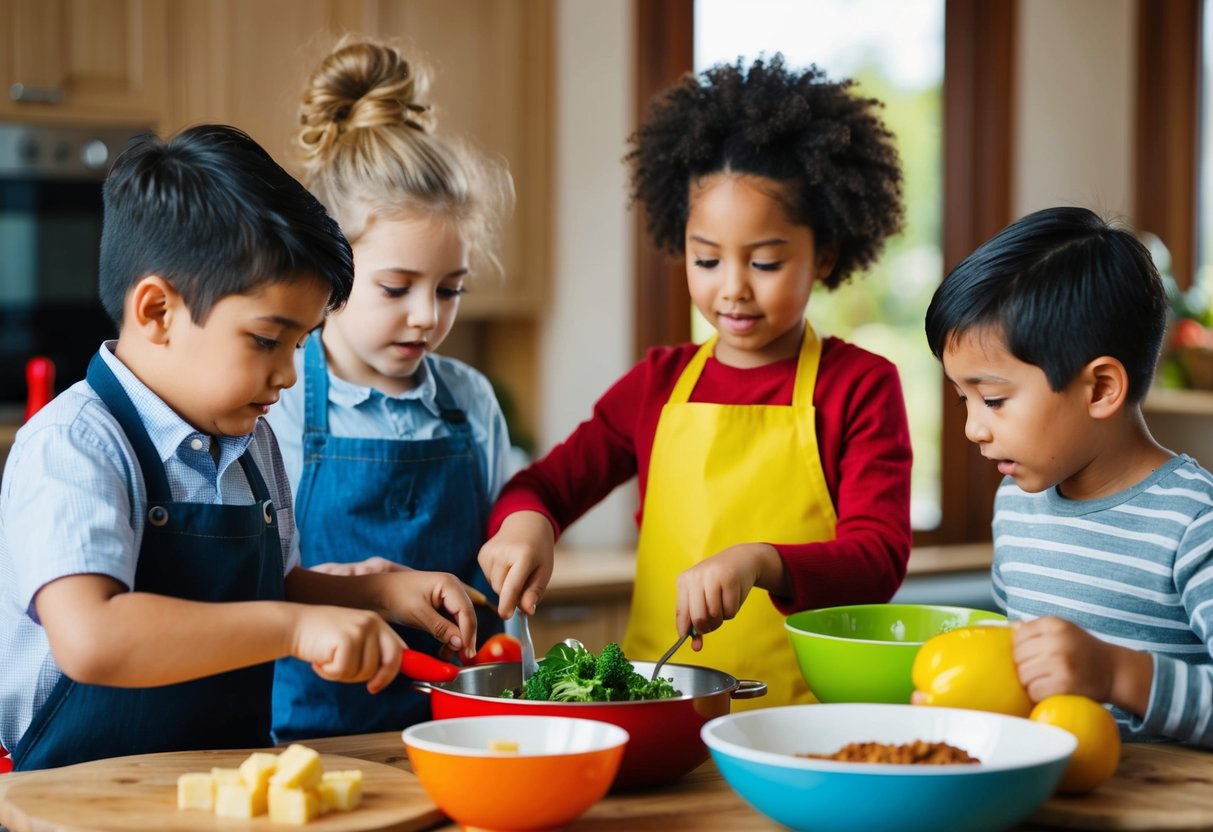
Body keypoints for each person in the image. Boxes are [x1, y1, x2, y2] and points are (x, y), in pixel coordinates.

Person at [0, 124, 479, 771]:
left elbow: (269, 589)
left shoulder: (250, 444)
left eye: (300, 343)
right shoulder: (74, 445)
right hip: (70, 797)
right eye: (265, 339)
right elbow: (94, 637)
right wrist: (294, 629)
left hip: (221, 787)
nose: (286, 373)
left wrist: (380, 596)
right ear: (157, 313)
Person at [478, 55, 912, 707]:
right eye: (705, 258)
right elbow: (543, 486)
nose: (731, 287)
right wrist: (524, 524)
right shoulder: (655, 384)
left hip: (797, 720)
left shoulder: (858, 386)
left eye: (764, 261)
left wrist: (760, 561)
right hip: (663, 713)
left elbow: (877, 556)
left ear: (823, 253)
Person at [265, 38, 515, 740]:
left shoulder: (470, 402)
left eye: (449, 289)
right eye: (396, 287)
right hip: (308, 736)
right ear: (330, 266)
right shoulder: (276, 402)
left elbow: (504, 562)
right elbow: (250, 584)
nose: (427, 316)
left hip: (460, 729)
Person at [923, 205, 1213, 747]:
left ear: (1101, 389)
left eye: (992, 399)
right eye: (963, 398)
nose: (972, 429)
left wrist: (1117, 674)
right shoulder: (1015, 504)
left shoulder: (1193, 524)